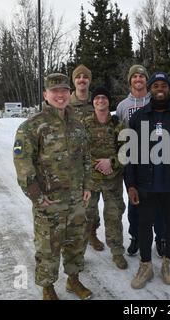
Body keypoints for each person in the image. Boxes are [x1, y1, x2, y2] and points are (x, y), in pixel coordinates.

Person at [13, 73, 93, 300]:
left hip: (76, 199)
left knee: (76, 242)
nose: (60, 95)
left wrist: (88, 185)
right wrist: (37, 196)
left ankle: (73, 280)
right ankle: (48, 288)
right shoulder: (32, 126)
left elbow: (86, 157)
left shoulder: (77, 125)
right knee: (48, 246)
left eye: (64, 91)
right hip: (49, 202)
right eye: (54, 91)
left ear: (69, 93)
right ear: (45, 95)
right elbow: (22, 162)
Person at [125, 72, 170, 289]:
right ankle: (145, 265)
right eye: (155, 85)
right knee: (145, 225)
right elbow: (130, 154)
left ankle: (168, 263)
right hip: (145, 185)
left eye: (163, 85)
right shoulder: (139, 117)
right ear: (150, 89)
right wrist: (131, 185)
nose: (159, 89)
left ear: (169, 89)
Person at [116, 64, 165, 257]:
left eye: (142, 76)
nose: (138, 79)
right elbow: (119, 133)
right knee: (134, 200)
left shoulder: (156, 101)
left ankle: (161, 238)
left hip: (157, 158)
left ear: (147, 81)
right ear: (130, 81)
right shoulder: (122, 106)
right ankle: (135, 236)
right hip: (133, 159)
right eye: (134, 76)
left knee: (159, 201)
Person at [82, 86, 127, 270]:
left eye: (104, 98)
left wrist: (112, 163)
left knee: (114, 216)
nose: (101, 100)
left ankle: (117, 252)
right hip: (89, 181)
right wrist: (97, 163)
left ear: (109, 102)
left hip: (112, 180)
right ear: (93, 102)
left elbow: (126, 151)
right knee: (85, 217)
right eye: (97, 98)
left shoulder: (118, 125)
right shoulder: (84, 124)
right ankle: (78, 255)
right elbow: (78, 150)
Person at [70, 64, 105, 251]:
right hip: (74, 162)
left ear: (89, 80)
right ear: (74, 80)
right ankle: (75, 241)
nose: (82, 80)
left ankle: (92, 233)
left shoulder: (98, 101)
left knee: (92, 202)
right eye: (78, 77)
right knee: (76, 204)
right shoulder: (66, 103)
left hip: (95, 160)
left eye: (85, 76)